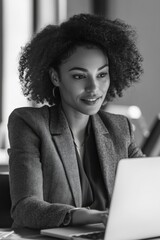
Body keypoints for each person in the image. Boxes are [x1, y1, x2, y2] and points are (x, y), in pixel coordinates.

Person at [8, 13, 144, 229]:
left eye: (102, 75)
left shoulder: (119, 127)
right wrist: (94, 217)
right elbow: (25, 208)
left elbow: (150, 185)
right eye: (79, 76)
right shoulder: (29, 123)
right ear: (55, 77)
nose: (93, 88)